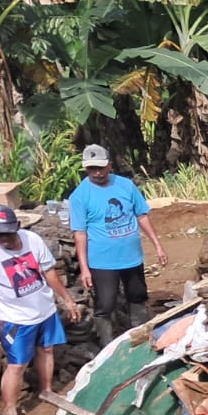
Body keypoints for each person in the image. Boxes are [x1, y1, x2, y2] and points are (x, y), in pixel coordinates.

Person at [0, 204, 81, 415]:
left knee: (46, 350)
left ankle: (46, 390)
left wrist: (67, 300)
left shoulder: (32, 240)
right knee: (17, 365)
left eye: (8, 233)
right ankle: (9, 410)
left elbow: (49, 272)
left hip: (45, 310)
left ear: (17, 226)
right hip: (15, 319)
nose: (5, 239)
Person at [68, 145, 166, 347]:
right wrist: (85, 268)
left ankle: (141, 338)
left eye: (101, 168)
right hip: (102, 261)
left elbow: (142, 215)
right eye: (92, 169)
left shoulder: (126, 186)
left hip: (132, 256)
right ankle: (107, 345)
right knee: (105, 303)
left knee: (137, 296)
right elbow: (80, 234)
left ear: (110, 166)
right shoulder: (79, 196)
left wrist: (157, 245)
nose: (97, 173)